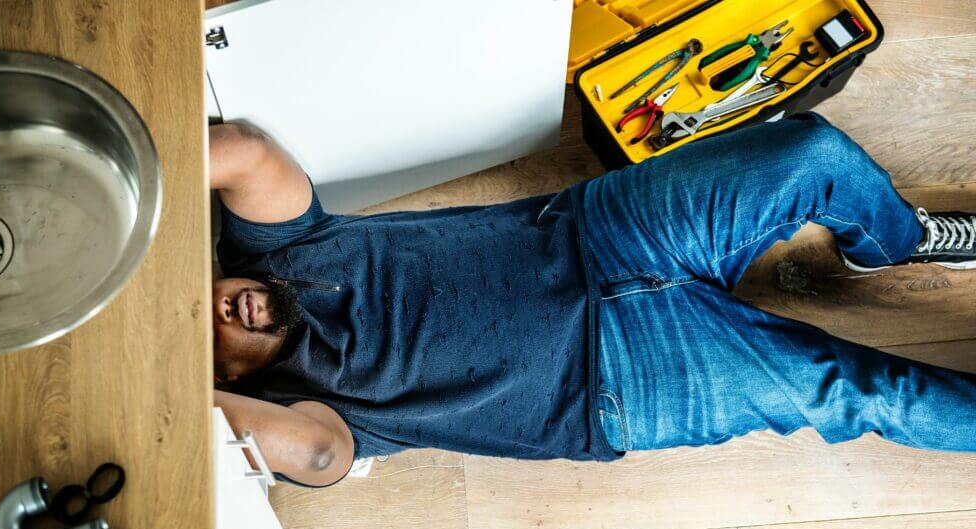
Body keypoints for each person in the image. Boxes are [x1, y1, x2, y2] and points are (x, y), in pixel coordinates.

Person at [210, 114, 976, 487]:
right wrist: (189, 396)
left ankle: (893, 241)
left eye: (198, 294)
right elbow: (316, 456)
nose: (219, 307)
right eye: (204, 335)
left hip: (600, 233)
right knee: (865, 390)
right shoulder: (310, 408)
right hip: (623, 380)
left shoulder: (277, 247)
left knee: (810, 154)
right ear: (231, 385)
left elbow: (244, 148)